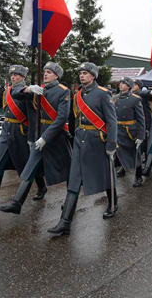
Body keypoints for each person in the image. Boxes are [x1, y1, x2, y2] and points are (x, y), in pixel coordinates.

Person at [47, 62, 118, 236]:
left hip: (97, 141)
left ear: (93, 76)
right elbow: (74, 119)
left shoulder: (103, 94)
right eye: (80, 73)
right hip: (80, 140)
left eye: (85, 73)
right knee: (74, 178)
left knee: (105, 173)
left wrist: (111, 144)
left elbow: (112, 121)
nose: (82, 76)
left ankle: (113, 203)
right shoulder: (78, 95)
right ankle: (65, 222)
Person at [0, 62, 71, 214]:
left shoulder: (63, 91)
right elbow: (15, 93)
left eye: (50, 72)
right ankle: (17, 203)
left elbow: (61, 118)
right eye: (45, 71)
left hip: (56, 135)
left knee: (68, 170)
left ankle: (70, 200)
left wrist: (45, 137)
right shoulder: (39, 89)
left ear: (57, 75)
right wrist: (28, 88)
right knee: (29, 168)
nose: (45, 74)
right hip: (40, 134)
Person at [0, 65, 37, 197]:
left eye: (16, 75)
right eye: (12, 75)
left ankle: (41, 187)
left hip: (21, 132)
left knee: (27, 164)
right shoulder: (7, 90)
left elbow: (33, 117)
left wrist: (31, 137)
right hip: (6, 131)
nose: (13, 77)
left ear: (23, 77)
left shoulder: (28, 92)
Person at [112, 77, 145, 187]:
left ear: (129, 86)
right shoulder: (115, 98)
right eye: (120, 82)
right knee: (120, 151)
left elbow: (141, 119)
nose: (120, 84)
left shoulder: (135, 99)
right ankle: (123, 169)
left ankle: (138, 176)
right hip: (118, 129)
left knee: (136, 155)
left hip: (130, 131)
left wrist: (141, 136)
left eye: (124, 83)